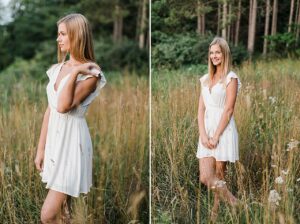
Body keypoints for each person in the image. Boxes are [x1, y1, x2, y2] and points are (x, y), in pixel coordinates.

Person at [34, 13, 106, 223]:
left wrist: (75, 72)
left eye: (63, 34)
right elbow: (51, 109)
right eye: (58, 34)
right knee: (65, 214)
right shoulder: (57, 69)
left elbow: (64, 106)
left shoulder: (91, 73)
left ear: (77, 36)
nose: (58, 39)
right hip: (55, 142)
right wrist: (41, 149)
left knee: (48, 216)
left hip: (72, 144)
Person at [196, 37, 241, 221]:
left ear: (224, 54)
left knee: (220, 175)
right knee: (206, 177)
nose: (214, 56)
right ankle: (236, 203)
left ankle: (215, 214)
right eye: (212, 52)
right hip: (206, 132)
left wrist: (216, 136)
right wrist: (204, 135)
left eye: (218, 52)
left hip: (223, 131)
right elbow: (200, 110)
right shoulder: (206, 79)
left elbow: (229, 109)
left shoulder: (231, 78)